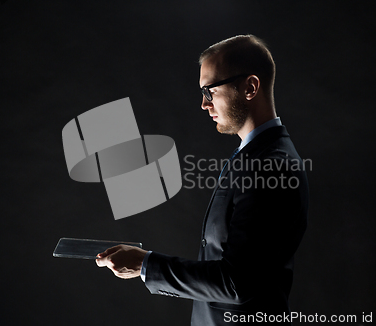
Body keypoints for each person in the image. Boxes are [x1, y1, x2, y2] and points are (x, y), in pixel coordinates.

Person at [96, 34, 309, 325]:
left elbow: (236, 282)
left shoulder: (271, 166)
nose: (204, 104)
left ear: (249, 87)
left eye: (210, 91)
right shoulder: (253, 156)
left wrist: (145, 264)